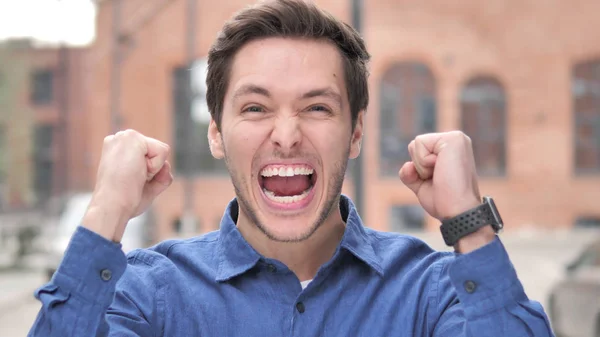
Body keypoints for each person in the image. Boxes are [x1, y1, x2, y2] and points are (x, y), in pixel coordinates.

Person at [28, 0, 555, 336]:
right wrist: (105, 213)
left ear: (355, 133)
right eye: (255, 108)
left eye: (317, 107)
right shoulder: (150, 295)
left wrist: (471, 225)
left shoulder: (429, 292)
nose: (286, 134)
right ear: (215, 133)